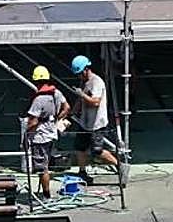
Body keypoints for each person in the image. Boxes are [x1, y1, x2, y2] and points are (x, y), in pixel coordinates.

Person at [69, 54, 125, 183]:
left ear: (86, 69)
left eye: (80, 73)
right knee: (80, 147)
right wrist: (73, 112)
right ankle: (82, 172)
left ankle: (119, 165)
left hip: (97, 123)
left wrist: (82, 94)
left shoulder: (97, 82)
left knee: (97, 150)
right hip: (85, 121)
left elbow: (95, 102)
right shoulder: (84, 82)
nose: (79, 76)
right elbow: (80, 99)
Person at [22, 66, 67, 200]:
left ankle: (46, 196)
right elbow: (67, 108)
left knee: (42, 169)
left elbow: (33, 121)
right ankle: (45, 193)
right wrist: (57, 119)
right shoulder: (56, 93)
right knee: (45, 164)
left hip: (40, 137)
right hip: (51, 134)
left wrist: (25, 134)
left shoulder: (39, 99)